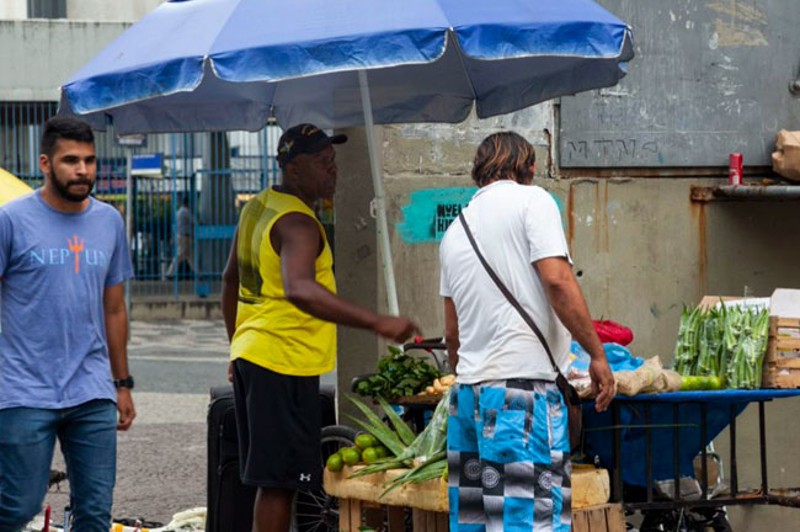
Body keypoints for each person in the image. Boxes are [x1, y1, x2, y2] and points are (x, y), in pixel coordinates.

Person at [220, 123, 421, 532]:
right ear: (294, 170)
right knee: (279, 484)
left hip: (258, 356)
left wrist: (236, 345)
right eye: (323, 163)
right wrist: (377, 321)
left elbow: (229, 280)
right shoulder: (299, 224)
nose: (334, 172)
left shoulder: (259, 207)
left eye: (334, 162)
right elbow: (301, 289)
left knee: (273, 481)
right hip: (282, 362)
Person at [439, 132, 615, 532]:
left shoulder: (454, 232)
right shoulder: (534, 202)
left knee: (474, 522)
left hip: (467, 397)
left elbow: (452, 333)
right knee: (529, 523)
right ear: (530, 167)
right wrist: (597, 355)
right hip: (519, 397)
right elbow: (557, 281)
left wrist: (476, 375)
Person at [0, 116, 135, 531]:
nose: (83, 171)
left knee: (95, 512)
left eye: (90, 161)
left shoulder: (109, 221)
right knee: (17, 506)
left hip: (91, 389)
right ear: (45, 163)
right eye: (71, 160)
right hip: (24, 389)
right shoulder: (11, 220)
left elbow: (114, 309)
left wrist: (122, 384)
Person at [166, 195, 195, 279]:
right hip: (185, 236)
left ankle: (197, 273)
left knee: (190, 255)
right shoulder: (186, 211)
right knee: (181, 255)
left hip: (179, 235)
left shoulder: (178, 212)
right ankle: (170, 273)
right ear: (187, 203)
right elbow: (194, 221)